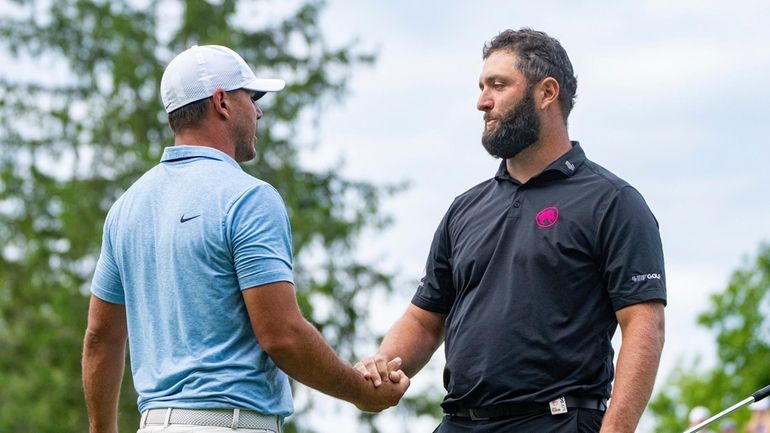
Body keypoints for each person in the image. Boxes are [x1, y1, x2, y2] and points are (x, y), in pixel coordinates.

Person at [81, 45, 409, 433]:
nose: (258, 111)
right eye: (251, 98)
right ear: (221, 102)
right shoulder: (249, 197)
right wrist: (360, 392)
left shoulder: (126, 209)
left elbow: (100, 338)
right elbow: (281, 335)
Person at [355, 28, 666, 433]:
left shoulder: (612, 201)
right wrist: (384, 368)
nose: (482, 101)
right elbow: (425, 319)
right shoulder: (465, 208)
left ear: (546, 92)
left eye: (498, 85)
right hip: (458, 421)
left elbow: (644, 324)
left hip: (557, 420)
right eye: (482, 87)